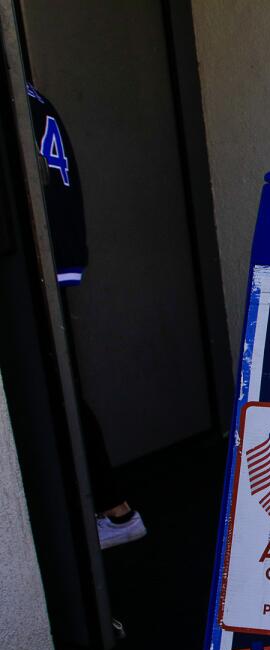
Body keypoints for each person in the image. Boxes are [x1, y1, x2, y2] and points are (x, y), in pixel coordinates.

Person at [26, 83, 147, 550]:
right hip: (57, 254)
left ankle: (113, 512)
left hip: (38, 260)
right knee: (59, 389)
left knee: (55, 393)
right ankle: (113, 510)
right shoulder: (33, 94)